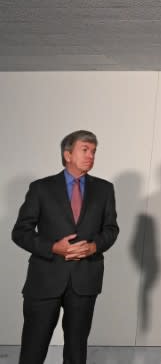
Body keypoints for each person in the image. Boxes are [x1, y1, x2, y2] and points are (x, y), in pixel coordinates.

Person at [12, 130, 119, 364]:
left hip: (84, 280)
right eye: (85, 150)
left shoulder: (104, 189)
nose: (90, 155)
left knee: (76, 352)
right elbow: (20, 232)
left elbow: (111, 230)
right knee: (33, 349)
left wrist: (93, 247)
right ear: (67, 154)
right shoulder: (41, 188)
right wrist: (53, 247)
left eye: (93, 151)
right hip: (45, 280)